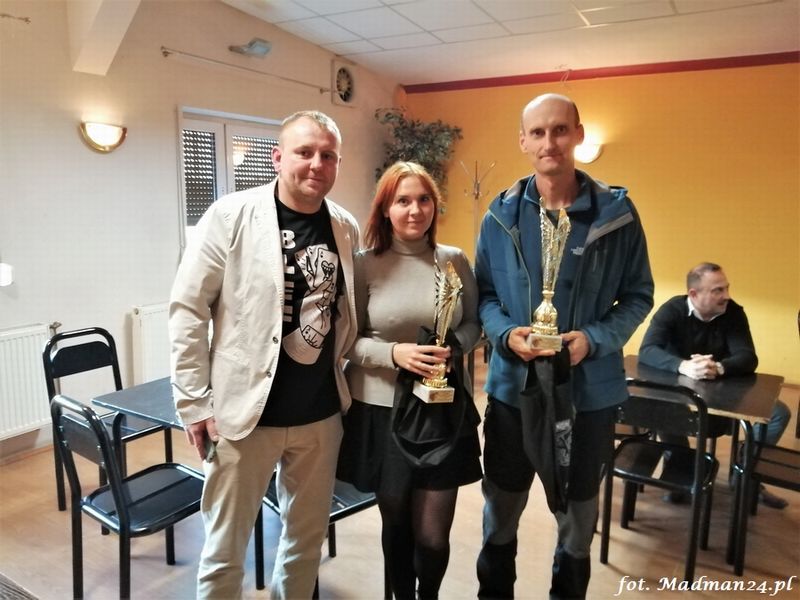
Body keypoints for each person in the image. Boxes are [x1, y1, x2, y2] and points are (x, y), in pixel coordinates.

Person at [169, 110, 360, 599]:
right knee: (224, 552)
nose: (317, 164)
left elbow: (345, 314)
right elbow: (189, 309)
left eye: (328, 155)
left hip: (319, 418)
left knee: (305, 545)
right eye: (304, 152)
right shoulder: (230, 216)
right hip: (242, 419)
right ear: (277, 158)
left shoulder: (345, 227)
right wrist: (194, 402)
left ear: (338, 164)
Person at [474, 93, 654, 599]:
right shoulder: (499, 216)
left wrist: (593, 339)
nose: (549, 141)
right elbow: (483, 295)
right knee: (501, 506)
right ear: (523, 141)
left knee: (577, 516)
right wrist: (505, 334)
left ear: (577, 133)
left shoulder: (616, 214)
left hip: (588, 395)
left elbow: (638, 295)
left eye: (559, 129)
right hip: (513, 391)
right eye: (537, 132)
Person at [337, 161, 482, 600]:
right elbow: (346, 341)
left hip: (442, 412)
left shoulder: (453, 260)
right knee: (397, 525)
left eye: (423, 200)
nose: (415, 210)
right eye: (403, 201)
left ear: (435, 207)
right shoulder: (363, 265)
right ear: (386, 209)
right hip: (382, 413)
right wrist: (394, 354)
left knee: (433, 537)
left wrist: (454, 346)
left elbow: (475, 323)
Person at [638, 262, 791, 509]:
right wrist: (683, 365)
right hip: (679, 391)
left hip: (723, 390)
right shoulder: (672, 310)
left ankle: (745, 475)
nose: (726, 296)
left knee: (779, 414)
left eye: (726, 288)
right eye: (718, 290)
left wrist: (718, 367)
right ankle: (680, 473)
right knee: (662, 408)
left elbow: (747, 356)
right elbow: (647, 350)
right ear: (694, 294)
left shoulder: (733, 312)